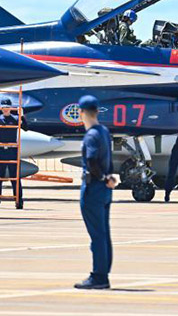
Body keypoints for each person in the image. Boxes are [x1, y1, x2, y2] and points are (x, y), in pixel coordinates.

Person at [75, 95, 117, 290]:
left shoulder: (91, 135)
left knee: (97, 235)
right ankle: (103, 274)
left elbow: (92, 162)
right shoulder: (103, 131)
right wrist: (109, 177)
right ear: (97, 111)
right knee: (104, 233)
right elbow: (108, 159)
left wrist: (101, 178)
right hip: (105, 190)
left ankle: (99, 276)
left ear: (81, 112)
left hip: (93, 188)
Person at [0, 98, 25, 209]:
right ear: (1, 108)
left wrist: (22, 115)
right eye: (3, 108)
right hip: (1, 150)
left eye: (7, 107)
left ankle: (18, 201)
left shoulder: (15, 119)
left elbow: (25, 127)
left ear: (10, 108)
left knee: (15, 178)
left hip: (12, 150)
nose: (6, 109)